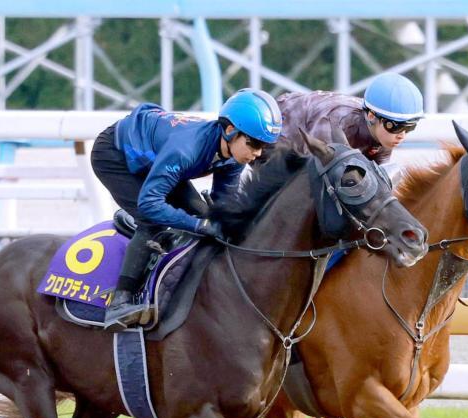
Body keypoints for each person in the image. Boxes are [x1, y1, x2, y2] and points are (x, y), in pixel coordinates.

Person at [92, 88, 282, 328]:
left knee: (204, 214)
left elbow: (223, 206)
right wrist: (198, 225)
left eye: (264, 146)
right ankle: (120, 302)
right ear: (230, 130)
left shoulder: (234, 156)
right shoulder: (187, 150)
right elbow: (150, 204)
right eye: (253, 144)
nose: (257, 154)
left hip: (157, 156)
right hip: (113, 153)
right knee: (153, 221)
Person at [276, 71, 424, 165]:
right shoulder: (335, 124)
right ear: (372, 116)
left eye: (410, 127)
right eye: (396, 126)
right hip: (281, 126)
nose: (401, 135)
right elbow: (309, 175)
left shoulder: (385, 135)